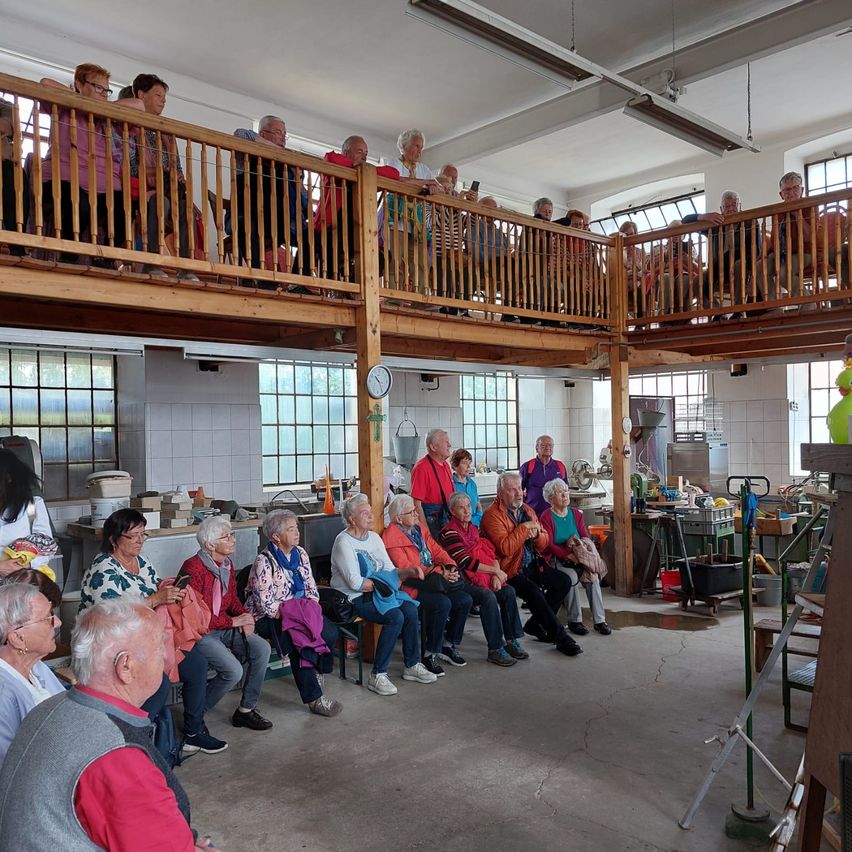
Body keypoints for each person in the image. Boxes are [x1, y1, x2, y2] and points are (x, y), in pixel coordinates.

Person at [0, 598, 219, 851]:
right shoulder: (117, 758)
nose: (168, 657)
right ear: (125, 666)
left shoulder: (50, 707)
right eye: (161, 647)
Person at [79, 508, 227, 754]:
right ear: (114, 540)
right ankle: (133, 741)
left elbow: (154, 588)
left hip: (146, 639)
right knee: (157, 681)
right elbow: (110, 614)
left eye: (143, 535)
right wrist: (156, 598)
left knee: (197, 664)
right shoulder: (103, 569)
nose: (139, 541)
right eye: (133, 536)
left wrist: (170, 590)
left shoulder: (141, 562)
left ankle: (194, 731)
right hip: (112, 645)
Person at [330, 494, 437, 696]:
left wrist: (409, 571)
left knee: (410, 609)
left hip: (379, 593)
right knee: (395, 616)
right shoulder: (343, 542)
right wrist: (385, 582)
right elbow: (355, 583)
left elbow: (390, 570)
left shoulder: (374, 538)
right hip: (353, 598)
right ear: (352, 518)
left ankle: (412, 665)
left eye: (371, 512)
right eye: (365, 513)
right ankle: (377, 675)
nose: (371, 517)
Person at [246, 509, 342, 718]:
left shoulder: (300, 553)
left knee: (330, 632)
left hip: (300, 610)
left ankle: (316, 671)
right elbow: (266, 605)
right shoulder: (264, 561)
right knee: (301, 641)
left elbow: (311, 587)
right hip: (269, 616)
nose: (296, 532)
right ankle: (314, 699)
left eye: (296, 527)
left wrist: (310, 610)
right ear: (275, 537)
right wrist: (293, 616)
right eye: (290, 529)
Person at [180, 515, 272, 731]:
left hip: (223, 627)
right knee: (233, 671)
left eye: (232, 535)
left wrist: (245, 617)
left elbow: (231, 599)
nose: (233, 540)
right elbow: (197, 617)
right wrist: (232, 621)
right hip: (201, 633)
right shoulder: (193, 568)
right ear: (210, 544)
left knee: (262, 648)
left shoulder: (226, 565)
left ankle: (246, 710)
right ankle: (196, 714)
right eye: (226, 536)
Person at [480, 472, 581, 657]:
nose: (518, 493)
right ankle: (561, 637)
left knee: (563, 582)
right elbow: (505, 548)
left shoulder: (527, 509)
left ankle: (535, 624)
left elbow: (544, 541)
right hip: (508, 570)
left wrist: (537, 536)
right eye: (512, 490)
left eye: (519, 488)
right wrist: (524, 529)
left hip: (531, 563)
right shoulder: (491, 516)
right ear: (500, 493)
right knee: (533, 592)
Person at [39, 64, 127, 260]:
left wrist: (102, 108)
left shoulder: (104, 118)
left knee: (123, 209)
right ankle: (68, 258)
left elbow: (139, 105)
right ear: (79, 84)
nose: (104, 94)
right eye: (98, 88)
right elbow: (45, 83)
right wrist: (81, 102)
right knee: (78, 205)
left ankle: (106, 259)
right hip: (63, 179)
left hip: (102, 187)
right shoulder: (64, 107)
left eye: (107, 90)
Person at [382, 494, 472, 677]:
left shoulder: (419, 529)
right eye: (411, 512)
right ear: (399, 518)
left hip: (433, 580)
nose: (416, 514)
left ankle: (447, 644)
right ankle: (430, 653)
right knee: (442, 603)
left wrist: (450, 565)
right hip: (412, 586)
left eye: (416, 511)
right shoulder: (391, 537)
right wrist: (440, 572)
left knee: (465, 600)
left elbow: (437, 549)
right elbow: (408, 569)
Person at [440, 491, 528, 667]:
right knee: (487, 596)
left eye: (468, 506)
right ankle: (495, 649)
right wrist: (494, 572)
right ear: (452, 512)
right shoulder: (449, 532)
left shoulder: (473, 528)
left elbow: (489, 551)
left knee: (508, 591)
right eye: (461, 508)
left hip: (481, 577)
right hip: (460, 580)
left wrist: (495, 572)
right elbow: (465, 562)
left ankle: (510, 641)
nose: (466, 510)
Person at [128, 73, 199, 281]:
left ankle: (186, 268)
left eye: (164, 97)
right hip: (143, 189)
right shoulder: (131, 126)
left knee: (186, 208)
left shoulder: (167, 133)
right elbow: (131, 167)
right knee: (161, 203)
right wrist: (158, 175)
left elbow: (177, 167)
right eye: (158, 95)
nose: (163, 100)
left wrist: (177, 177)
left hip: (168, 189)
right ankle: (151, 263)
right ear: (141, 94)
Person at [233, 114, 312, 275]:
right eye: (278, 132)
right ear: (262, 134)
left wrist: (298, 180)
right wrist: (282, 154)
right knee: (245, 225)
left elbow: (304, 202)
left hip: (281, 219)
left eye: (284, 134)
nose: (283, 137)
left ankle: (297, 282)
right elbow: (240, 133)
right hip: (252, 214)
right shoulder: (246, 153)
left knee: (310, 235)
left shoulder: (288, 165)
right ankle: (255, 277)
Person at [314, 134, 400, 281]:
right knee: (329, 243)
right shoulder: (336, 165)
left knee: (381, 255)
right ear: (346, 153)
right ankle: (332, 285)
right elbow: (331, 157)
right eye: (360, 152)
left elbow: (394, 173)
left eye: (366, 154)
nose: (365, 157)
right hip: (329, 227)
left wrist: (365, 169)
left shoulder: (364, 174)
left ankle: (356, 287)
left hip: (355, 230)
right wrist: (355, 167)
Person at [0, 582, 65, 761]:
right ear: (18, 638)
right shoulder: (3, 693)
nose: (58, 623)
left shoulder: (36, 667)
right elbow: (9, 770)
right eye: (48, 618)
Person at [539, 478, 611, 636]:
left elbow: (585, 536)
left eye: (565, 491)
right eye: (559, 493)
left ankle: (600, 621)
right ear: (550, 498)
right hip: (557, 558)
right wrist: (568, 554)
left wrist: (579, 548)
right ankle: (575, 620)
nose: (565, 495)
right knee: (570, 577)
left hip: (579, 556)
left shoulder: (576, 514)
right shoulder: (546, 517)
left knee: (592, 577)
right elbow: (549, 544)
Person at [682, 190, 763, 314]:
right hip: (718, 266)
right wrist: (704, 216)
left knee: (739, 264)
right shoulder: (715, 224)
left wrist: (753, 275)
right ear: (721, 209)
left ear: (740, 206)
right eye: (727, 206)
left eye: (734, 205)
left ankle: (739, 310)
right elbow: (685, 220)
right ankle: (716, 312)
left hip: (741, 264)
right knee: (699, 280)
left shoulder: (749, 221)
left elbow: (757, 250)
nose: (731, 209)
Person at [385, 128, 443, 293]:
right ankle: (393, 295)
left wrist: (434, 187)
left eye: (421, 147)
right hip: (396, 218)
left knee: (420, 262)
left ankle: (422, 298)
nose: (420, 150)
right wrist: (424, 183)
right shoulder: (394, 163)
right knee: (395, 258)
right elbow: (397, 180)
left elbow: (437, 187)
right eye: (416, 146)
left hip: (417, 222)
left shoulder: (424, 168)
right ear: (404, 146)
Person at [0, 450, 52, 577]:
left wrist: (27, 565)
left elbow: (45, 546)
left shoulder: (32, 506)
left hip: (21, 584)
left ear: (9, 478)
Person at [765, 171, 813, 301]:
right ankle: (772, 306)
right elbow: (775, 240)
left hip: (804, 252)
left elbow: (809, 238)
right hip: (781, 253)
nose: (791, 193)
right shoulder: (777, 211)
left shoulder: (811, 206)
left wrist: (798, 215)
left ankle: (807, 302)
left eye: (795, 188)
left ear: (802, 190)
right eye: (786, 190)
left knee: (783, 273)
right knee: (759, 267)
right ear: (781, 194)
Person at [410, 428, 455, 538]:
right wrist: (426, 533)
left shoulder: (446, 465)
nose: (450, 445)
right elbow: (416, 504)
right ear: (433, 447)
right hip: (431, 521)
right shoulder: (422, 468)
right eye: (446, 442)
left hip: (447, 517)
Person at [0, 106, 27, 256]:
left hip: (4, 162)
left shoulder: (6, 105)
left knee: (17, 176)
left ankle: (15, 244)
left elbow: (5, 125)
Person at [520, 435, 568, 516]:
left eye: (550, 445)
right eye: (543, 445)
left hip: (556, 515)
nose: (547, 448)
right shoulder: (527, 466)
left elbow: (566, 490)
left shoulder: (560, 466)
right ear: (536, 448)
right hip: (533, 515)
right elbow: (518, 490)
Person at [451, 448, 483, 526]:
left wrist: (479, 517)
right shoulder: (451, 484)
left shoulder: (472, 483)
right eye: (465, 463)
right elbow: (451, 510)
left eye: (469, 463)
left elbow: (478, 505)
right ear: (455, 465)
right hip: (460, 526)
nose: (468, 466)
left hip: (476, 524)